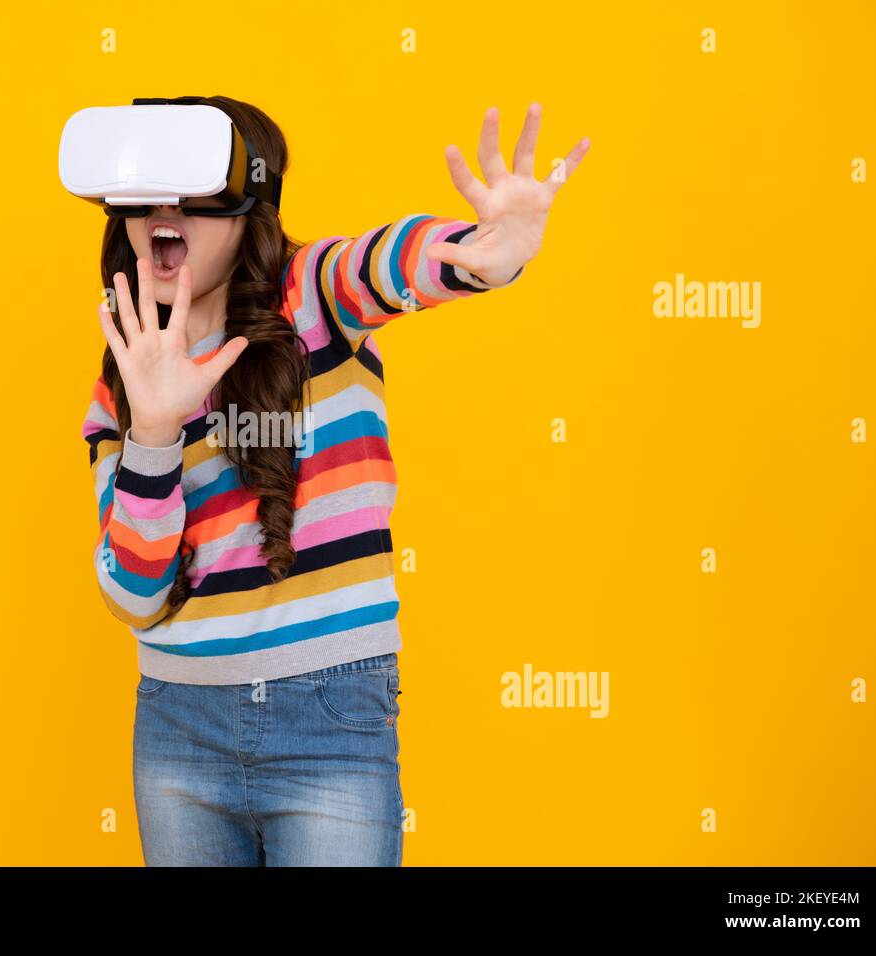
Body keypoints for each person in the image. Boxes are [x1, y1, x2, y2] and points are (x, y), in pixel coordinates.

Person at [81, 95, 589, 865]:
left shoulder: (315, 293)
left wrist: (488, 250)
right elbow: (132, 595)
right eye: (143, 196)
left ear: (249, 205)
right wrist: (151, 436)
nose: (164, 213)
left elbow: (394, 259)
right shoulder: (120, 376)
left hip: (329, 709)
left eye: (192, 194)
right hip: (177, 725)